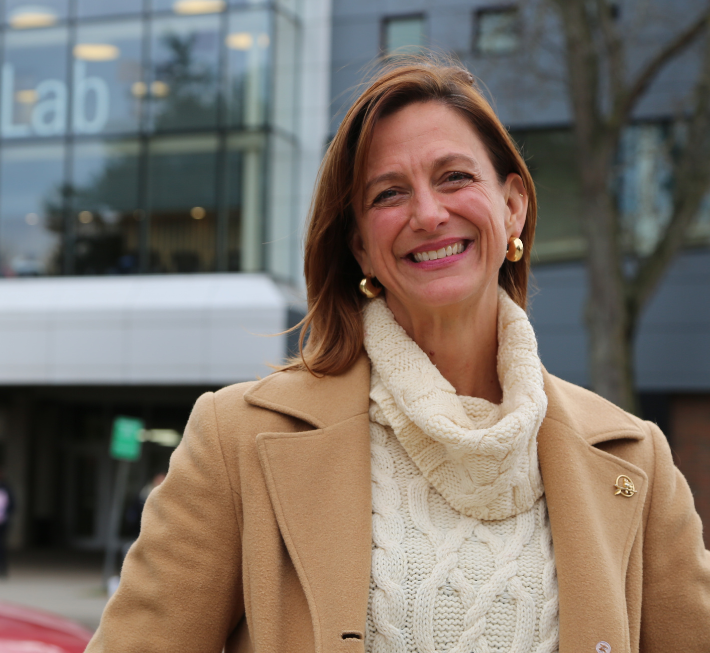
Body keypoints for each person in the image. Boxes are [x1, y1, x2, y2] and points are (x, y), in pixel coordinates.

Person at [86, 55, 710, 652]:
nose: (429, 213)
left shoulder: (638, 462)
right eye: (389, 194)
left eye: (455, 177)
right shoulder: (237, 441)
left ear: (512, 206)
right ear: (359, 245)